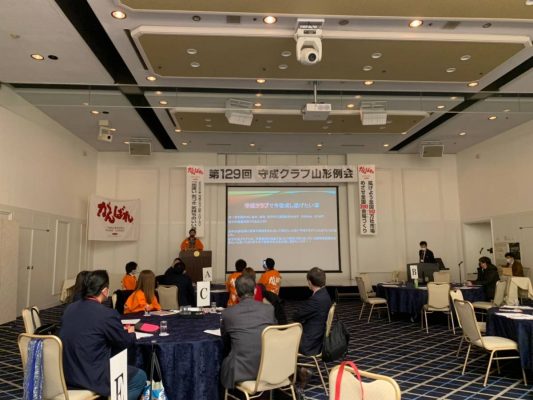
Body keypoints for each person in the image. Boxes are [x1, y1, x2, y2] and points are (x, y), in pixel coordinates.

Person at [60, 270, 146, 400]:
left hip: (67, 373)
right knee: (139, 377)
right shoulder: (107, 314)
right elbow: (124, 342)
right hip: (90, 375)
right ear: (105, 291)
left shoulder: (69, 309)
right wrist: (132, 333)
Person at [220, 275, 276, 389]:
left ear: (236, 292)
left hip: (239, 371)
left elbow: (224, 339)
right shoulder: (269, 309)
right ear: (255, 291)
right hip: (268, 368)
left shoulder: (228, 313)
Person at [293, 267, 332, 356]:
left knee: (281, 340)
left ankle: (291, 364)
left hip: (310, 343)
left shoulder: (316, 300)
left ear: (310, 282)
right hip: (318, 337)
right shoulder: (325, 294)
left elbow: (296, 316)